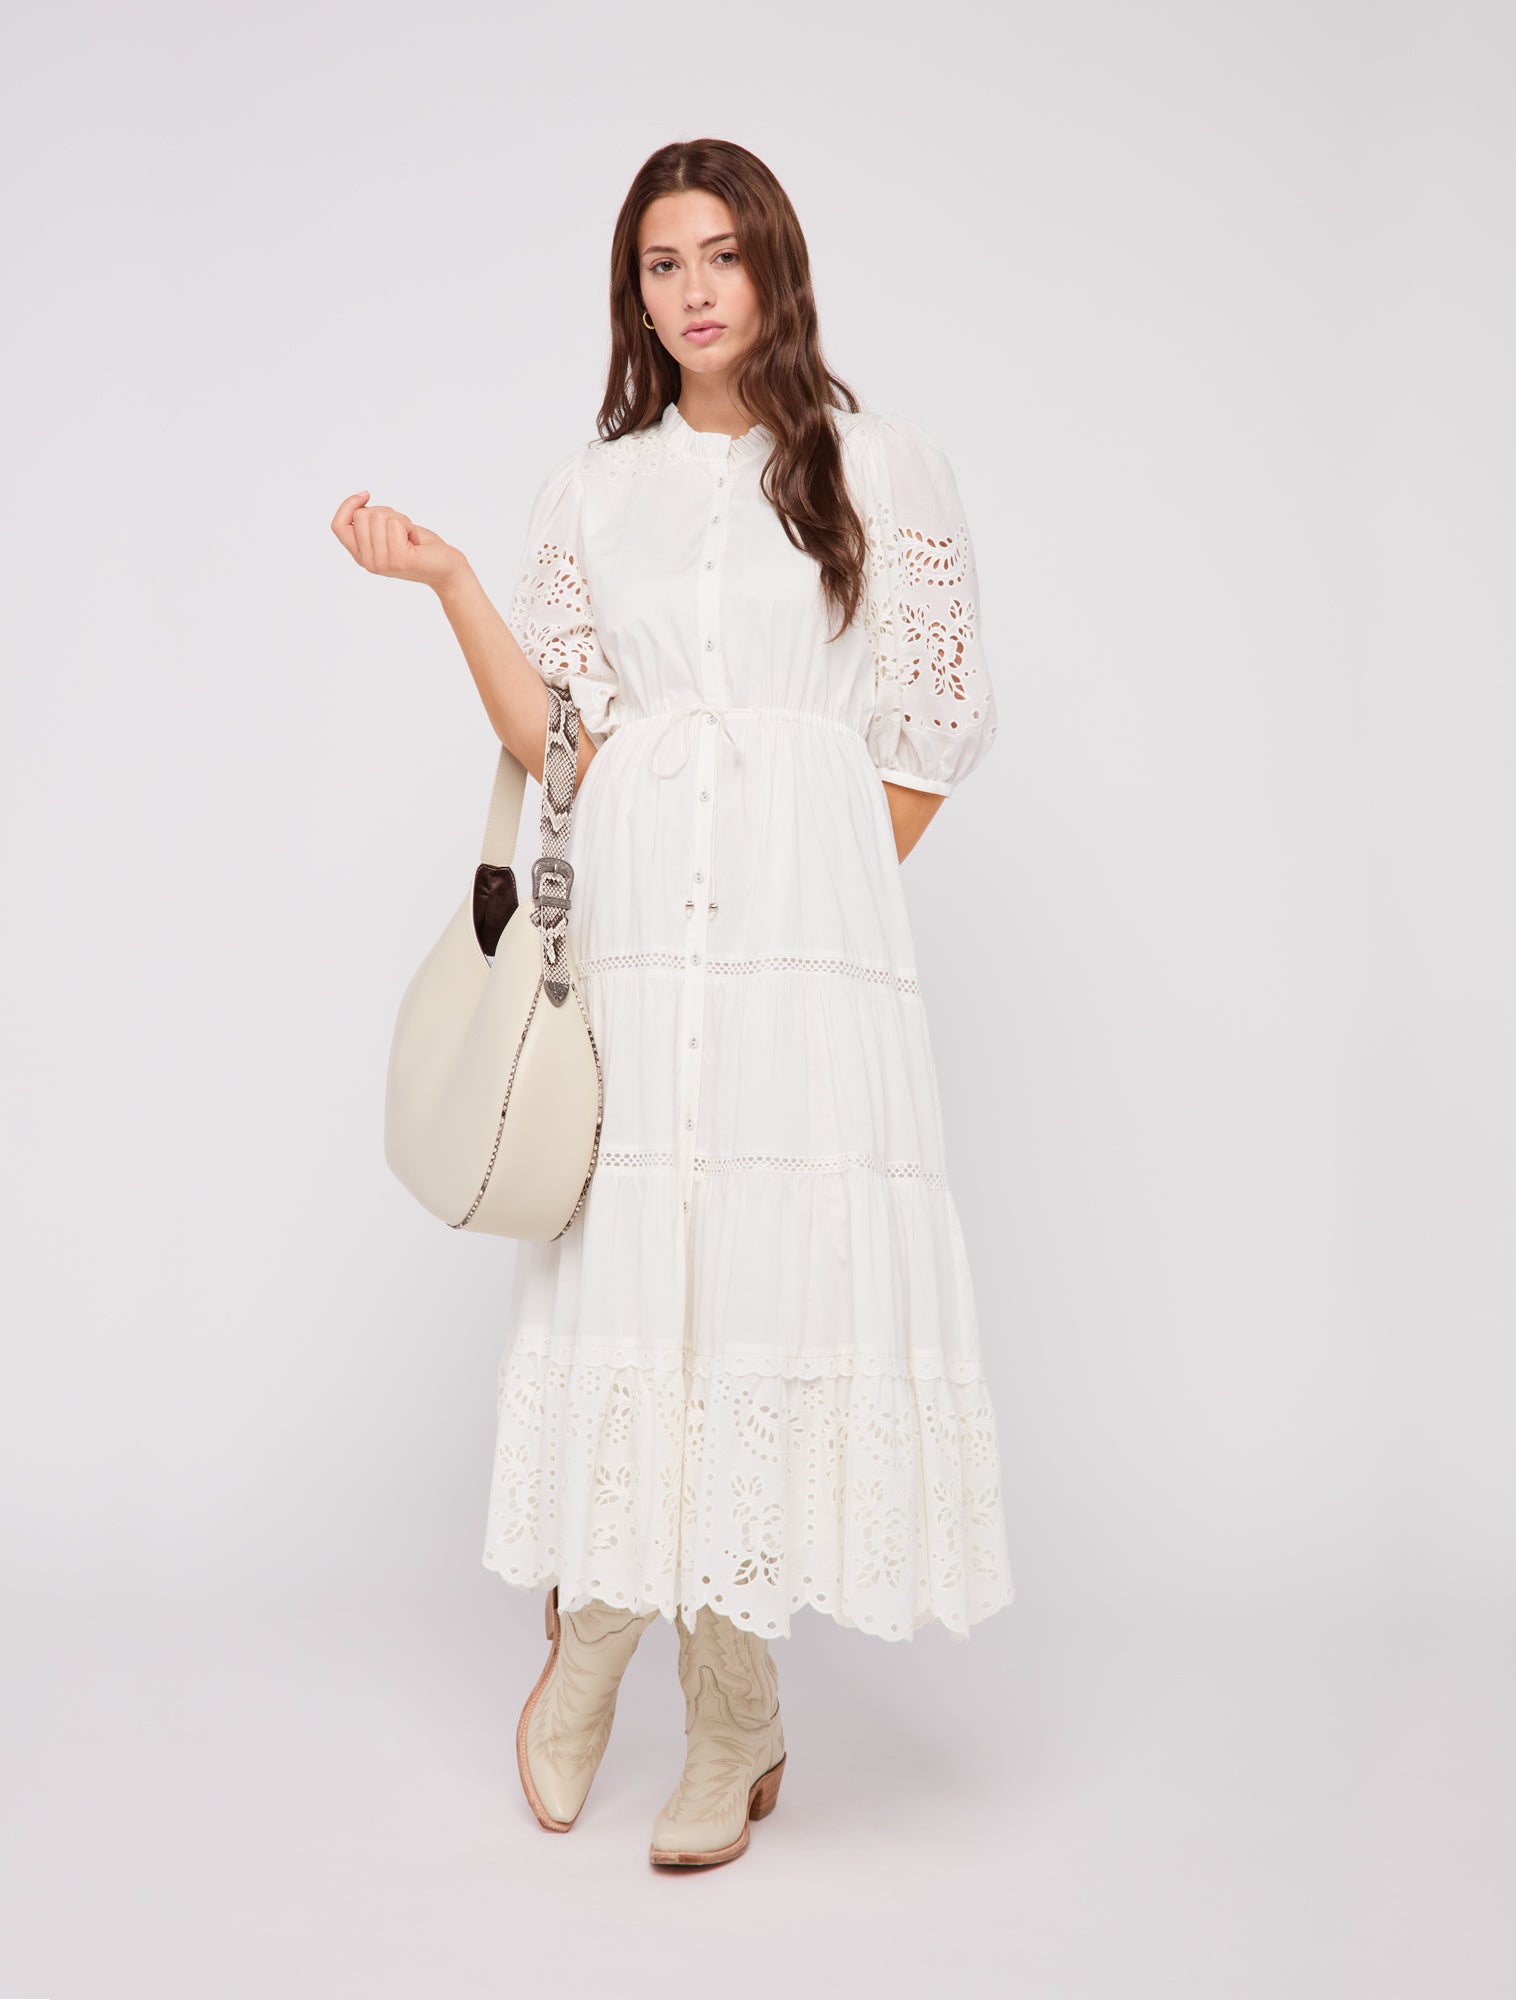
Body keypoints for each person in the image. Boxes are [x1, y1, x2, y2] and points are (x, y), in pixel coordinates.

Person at [331, 137, 1014, 1870]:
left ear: (776, 266)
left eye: (722, 254)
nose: (695, 289)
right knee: (643, 1274)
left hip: (803, 963)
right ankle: (595, 1645)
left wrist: (813, 900)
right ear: (633, 295)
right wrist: (453, 584)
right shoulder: (596, 490)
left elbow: (933, 726)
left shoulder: (881, 466)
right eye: (662, 264)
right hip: (638, 941)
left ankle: (729, 1710)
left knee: (762, 1295)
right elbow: (558, 737)